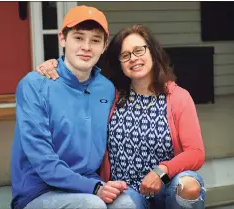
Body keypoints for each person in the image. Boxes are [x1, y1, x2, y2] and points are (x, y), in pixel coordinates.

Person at [35, 24, 206, 209]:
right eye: (125, 55)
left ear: (153, 53)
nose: (134, 59)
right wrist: (54, 65)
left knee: (187, 185)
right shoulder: (110, 94)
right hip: (125, 189)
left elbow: (195, 152)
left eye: (139, 50)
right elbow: (78, 76)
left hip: (165, 183)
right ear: (120, 64)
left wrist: (161, 172)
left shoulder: (178, 97)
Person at [10, 5, 139, 209]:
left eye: (95, 40)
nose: (86, 47)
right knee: (92, 205)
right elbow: (43, 162)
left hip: (89, 183)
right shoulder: (35, 85)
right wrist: (95, 187)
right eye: (78, 38)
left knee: (126, 204)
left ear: (104, 46)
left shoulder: (106, 88)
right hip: (39, 190)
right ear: (62, 38)